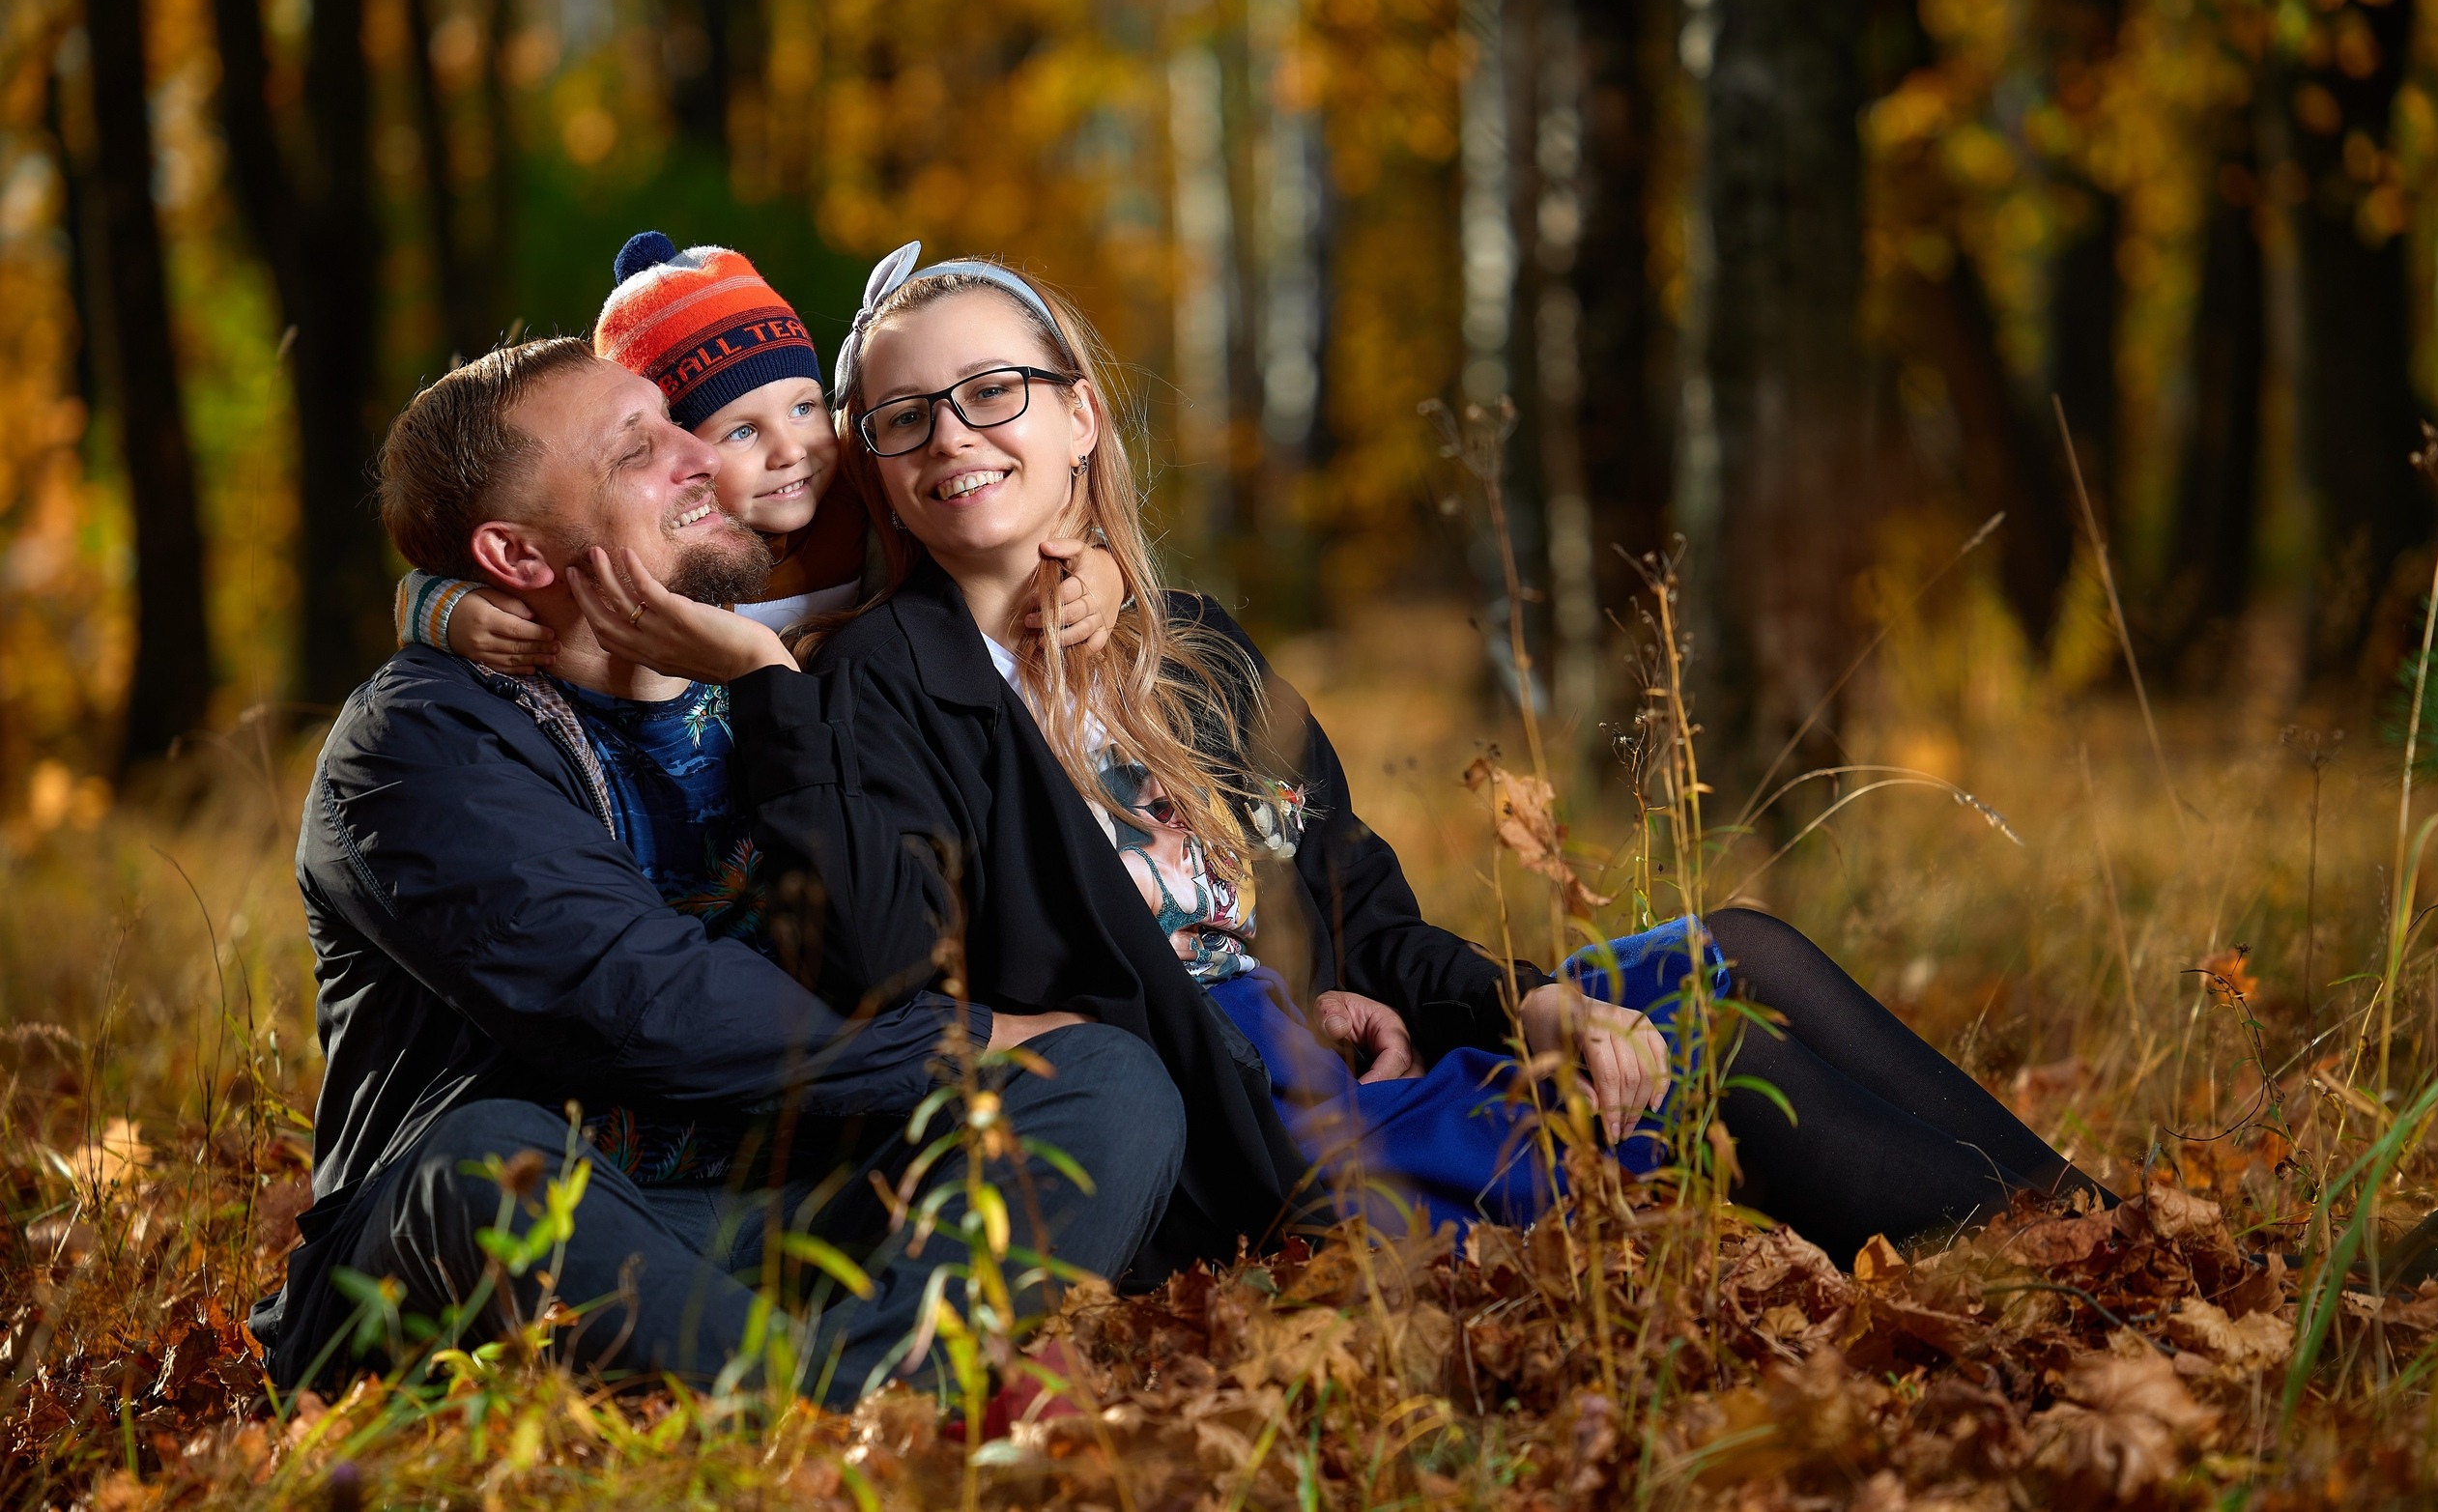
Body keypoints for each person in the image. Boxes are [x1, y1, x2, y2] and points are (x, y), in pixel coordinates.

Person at [570, 244, 2116, 1272]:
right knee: (1724, 1063)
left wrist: (1536, 998)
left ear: (1082, 418)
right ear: (881, 479)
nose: (954, 434)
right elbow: (891, 966)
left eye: (996, 392)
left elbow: (1365, 914)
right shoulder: (876, 685)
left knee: (1746, 948)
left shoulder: (1191, 644)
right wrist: (779, 677)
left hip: (1344, 1037)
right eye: (903, 418)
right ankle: (2057, 1275)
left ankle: (2096, 1235)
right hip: (1241, 1114)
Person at [250, 335, 1184, 1404]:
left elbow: (955, 517)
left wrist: (1093, 561)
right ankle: (863, 1414)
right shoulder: (417, 745)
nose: (700, 454)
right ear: (514, 559)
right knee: (483, 1164)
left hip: (783, 1219)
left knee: (1107, 1080)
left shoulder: (789, 672)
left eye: (674, 421)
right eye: (633, 450)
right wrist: (964, 1044)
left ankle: (845, 1402)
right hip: (541, 1242)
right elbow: (648, 1006)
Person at [391, 232, 1124, 674]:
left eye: (805, 407)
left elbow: (987, 529)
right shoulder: (674, 541)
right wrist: (441, 607)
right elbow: (475, 565)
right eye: (741, 431)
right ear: (684, 454)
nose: (793, 450)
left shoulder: (855, 487)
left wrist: (1099, 569)